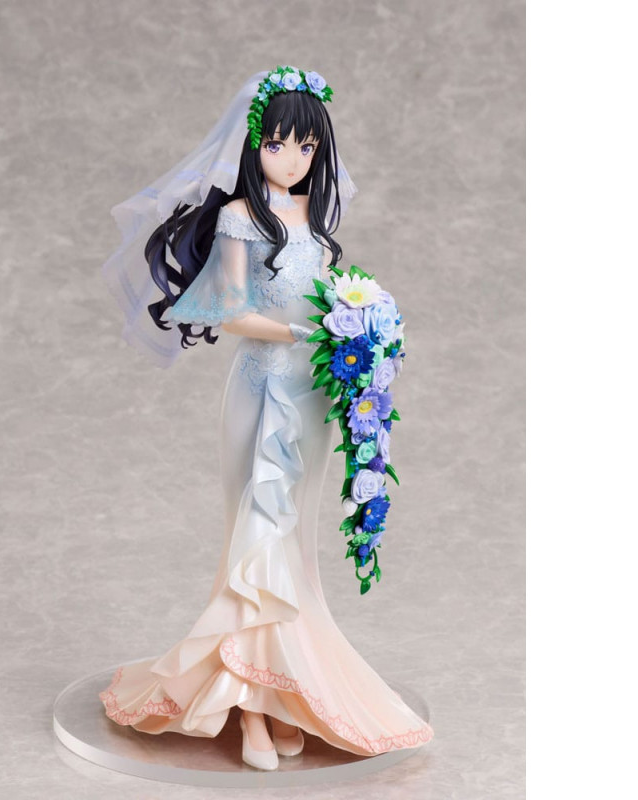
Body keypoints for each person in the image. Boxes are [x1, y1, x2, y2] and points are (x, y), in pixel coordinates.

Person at [99, 66, 434, 771]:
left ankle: (283, 695)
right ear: (254, 144)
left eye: (307, 147)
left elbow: (332, 294)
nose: (293, 159)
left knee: (294, 544)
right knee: (255, 541)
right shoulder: (237, 218)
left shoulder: (315, 219)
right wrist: (301, 333)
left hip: (311, 396)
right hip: (260, 390)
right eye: (279, 144)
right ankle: (248, 707)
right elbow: (229, 313)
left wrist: (362, 325)